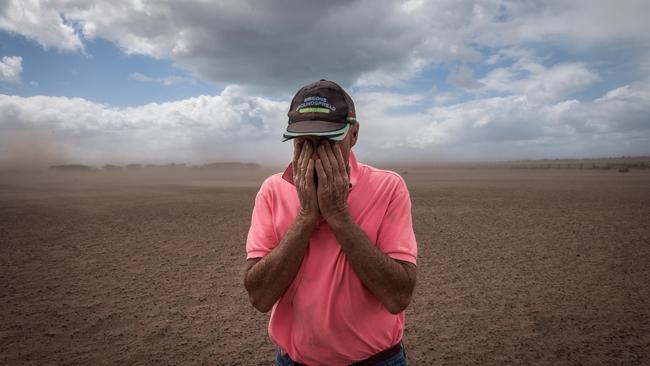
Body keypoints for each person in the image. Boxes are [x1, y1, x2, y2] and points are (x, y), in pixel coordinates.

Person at [244, 79, 418, 365]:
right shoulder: (273, 190)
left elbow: (398, 296)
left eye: (327, 142)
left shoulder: (389, 187)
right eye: (304, 143)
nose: (315, 155)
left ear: (354, 134)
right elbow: (260, 298)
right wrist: (305, 218)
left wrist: (338, 215)